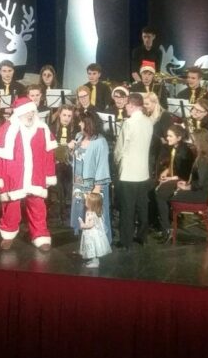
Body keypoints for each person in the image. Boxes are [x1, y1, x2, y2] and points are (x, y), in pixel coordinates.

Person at [0, 96, 57, 251]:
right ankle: (8, 234)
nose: (31, 115)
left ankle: (40, 235)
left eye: (32, 112)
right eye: (27, 113)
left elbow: (49, 154)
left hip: (36, 175)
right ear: (19, 113)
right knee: (11, 208)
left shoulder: (42, 128)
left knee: (38, 205)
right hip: (13, 176)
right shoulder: (7, 128)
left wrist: (49, 174)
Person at [157, 128, 208, 242]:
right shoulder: (203, 156)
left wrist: (186, 187)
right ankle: (167, 228)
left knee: (164, 195)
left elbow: (200, 183)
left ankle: (167, 229)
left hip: (200, 195)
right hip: (199, 191)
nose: (192, 143)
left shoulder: (203, 159)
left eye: (194, 141)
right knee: (164, 193)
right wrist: (186, 183)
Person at [114, 93, 153, 249]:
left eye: (126, 106)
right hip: (143, 172)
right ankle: (142, 237)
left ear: (131, 105)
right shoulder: (149, 121)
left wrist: (116, 162)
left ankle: (125, 241)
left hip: (129, 173)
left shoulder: (129, 123)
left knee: (127, 208)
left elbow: (120, 149)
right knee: (142, 206)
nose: (125, 109)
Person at [71, 114, 113, 243]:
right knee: (81, 211)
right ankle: (85, 242)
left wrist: (97, 187)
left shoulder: (100, 142)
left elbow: (102, 165)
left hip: (93, 184)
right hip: (79, 182)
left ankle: (102, 243)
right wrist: (70, 150)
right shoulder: (79, 137)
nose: (79, 125)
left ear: (88, 124)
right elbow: (74, 161)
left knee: (96, 214)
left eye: (82, 122)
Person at [153, 123, 190, 240]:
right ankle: (164, 225)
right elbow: (174, 165)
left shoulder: (184, 151)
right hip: (174, 177)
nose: (167, 138)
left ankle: (167, 228)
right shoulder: (174, 148)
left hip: (181, 181)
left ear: (178, 138)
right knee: (155, 187)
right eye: (167, 136)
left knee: (160, 194)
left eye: (170, 136)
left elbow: (184, 174)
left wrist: (169, 179)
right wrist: (166, 171)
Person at [77, 191, 112, 268]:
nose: (85, 202)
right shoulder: (92, 211)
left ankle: (95, 262)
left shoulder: (92, 213)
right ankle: (93, 260)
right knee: (91, 247)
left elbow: (90, 225)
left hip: (92, 234)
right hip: (90, 233)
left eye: (87, 201)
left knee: (92, 246)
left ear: (92, 204)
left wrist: (83, 225)